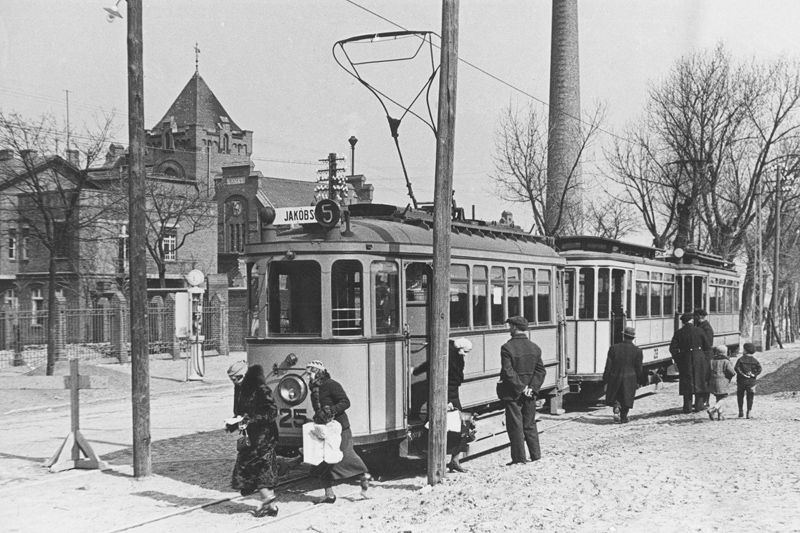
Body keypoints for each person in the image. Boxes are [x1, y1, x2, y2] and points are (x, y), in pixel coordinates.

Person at [306, 360, 372, 503]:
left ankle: (364, 479)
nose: (308, 375)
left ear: (318, 372)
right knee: (322, 461)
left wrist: (331, 411)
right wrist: (319, 417)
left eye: (310, 371)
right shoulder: (314, 390)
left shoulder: (331, 385)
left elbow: (345, 402)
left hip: (340, 427)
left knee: (347, 456)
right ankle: (329, 495)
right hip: (325, 429)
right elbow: (319, 409)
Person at [412, 337, 473, 472]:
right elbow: (431, 365)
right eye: (465, 351)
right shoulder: (448, 355)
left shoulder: (455, 353)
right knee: (459, 425)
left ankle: (450, 460)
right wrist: (447, 402)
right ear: (459, 348)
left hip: (451, 392)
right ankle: (442, 461)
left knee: (458, 426)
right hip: (446, 394)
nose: (466, 355)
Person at [229, 364, 280, 517]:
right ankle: (271, 506)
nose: (236, 381)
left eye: (238, 378)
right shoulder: (239, 389)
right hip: (250, 436)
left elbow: (272, 412)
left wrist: (251, 420)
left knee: (255, 467)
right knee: (261, 469)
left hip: (264, 435)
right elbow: (238, 411)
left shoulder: (260, 388)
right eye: (232, 379)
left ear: (246, 375)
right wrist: (233, 422)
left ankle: (267, 500)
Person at [497, 316, 546, 465]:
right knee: (530, 424)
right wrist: (532, 388)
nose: (508, 328)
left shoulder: (507, 347)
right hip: (530, 394)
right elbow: (540, 371)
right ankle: (536, 455)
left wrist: (521, 387)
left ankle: (519, 458)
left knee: (515, 426)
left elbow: (508, 371)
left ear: (513, 327)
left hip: (513, 393)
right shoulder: (535, 347)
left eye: (509, 326)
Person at [669, 313, 712, 413]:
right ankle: (699, 406)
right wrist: (705, 359)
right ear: (692, 320)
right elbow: (707, 346)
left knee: (686, 382)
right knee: (699, 380)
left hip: (685, 358)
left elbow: (672, 349)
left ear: (683, 322)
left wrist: (679, 359)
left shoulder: (678, 333)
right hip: (699, 358)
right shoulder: (699, 330)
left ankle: (687, 407)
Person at [602, 326, 644, 423]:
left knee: (617, 394)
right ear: (633, 338)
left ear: (623, 336)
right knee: (627, 397)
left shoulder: (613, 348)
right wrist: (640, 380)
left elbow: (608, 366)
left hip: (615, 376)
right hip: (630, 377)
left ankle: (616, 407)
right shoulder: (637, 351)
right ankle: (624, 417)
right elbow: (639, 368)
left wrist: (605, 379)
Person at [706, 345, 736, 421]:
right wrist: (728, 377)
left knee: (718, 397)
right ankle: (713, 409)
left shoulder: (712, 361)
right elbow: (732, 372)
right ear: (725, 352)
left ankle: (720, 415)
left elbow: (708, 372)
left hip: (713, 381)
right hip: (722, 382)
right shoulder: (726, 361)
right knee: (724, 397)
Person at [734, 342, 763, 419]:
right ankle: (749, 412)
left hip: (741, 381)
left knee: (740, 396)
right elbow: (759, 369)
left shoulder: (740, 359)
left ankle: (740, 411)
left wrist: (743, 374)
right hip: (751, 381)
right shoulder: (755, 360)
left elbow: (736, 368)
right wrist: (754, 374)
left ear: (745, 350)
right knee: (750, 396)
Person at [694, 308, 714, 408]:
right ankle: (701, 401)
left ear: (700, 316)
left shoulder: (706, 327)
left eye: (695, 316)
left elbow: (708, 344)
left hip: (706, 356)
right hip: (702, 355)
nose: (694, 318)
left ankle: (705, 401)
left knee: (705, 379)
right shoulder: (701, 326)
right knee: (701, 379)